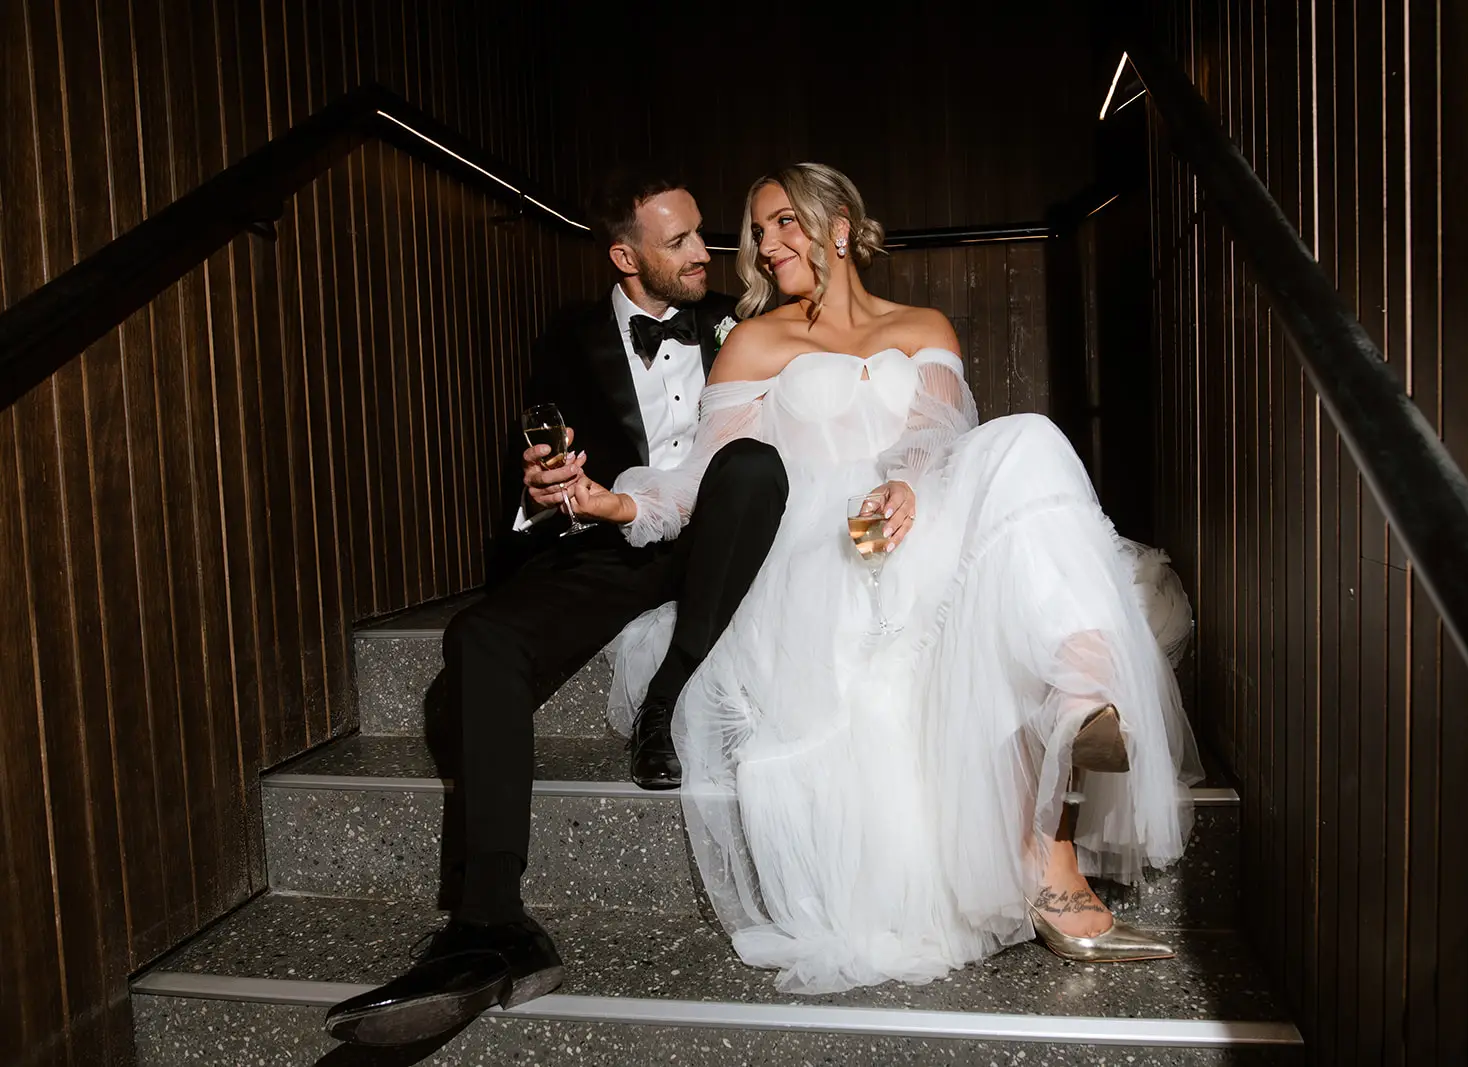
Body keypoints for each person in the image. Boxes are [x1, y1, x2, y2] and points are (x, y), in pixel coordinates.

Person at [590, 163, 1204, 994]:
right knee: (982, 602)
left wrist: (905, 484)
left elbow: (937, 434)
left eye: (783, 222)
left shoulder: (924, 327)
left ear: (839, 225)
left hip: (915, 515)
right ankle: (1050, 843)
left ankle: (1078, 701)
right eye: (759, 232)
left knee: (1025, 438)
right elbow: (705, 476)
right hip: (822, 553)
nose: (767, 246)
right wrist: (619, 502)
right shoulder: (756, 342)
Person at [323, 171, 790, 1044]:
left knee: (752, 470)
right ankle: (491, 923)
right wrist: (542, 491)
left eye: (701, 233)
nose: (705, 252)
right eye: (681, 241)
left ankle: (664, 702)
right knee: (480, 638)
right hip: (611, 539)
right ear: (625, 256)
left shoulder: (741, 322)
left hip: (720, 539)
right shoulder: (567, 339)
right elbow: (549, 465)